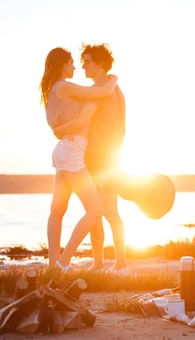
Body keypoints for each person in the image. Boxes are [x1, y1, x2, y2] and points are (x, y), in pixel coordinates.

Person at [40, 46, 118, 271]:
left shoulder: (52, 90)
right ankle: (64, 262)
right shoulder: (64, 86)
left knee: (57, 210)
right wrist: (113, 77)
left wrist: (65, 127)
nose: (75, 66)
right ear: (62, 65)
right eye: (71, 62)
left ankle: (53, 263)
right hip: (73, 151)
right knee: (96, 210)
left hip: (64, 149)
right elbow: (103, 93)